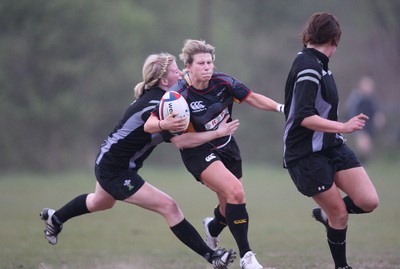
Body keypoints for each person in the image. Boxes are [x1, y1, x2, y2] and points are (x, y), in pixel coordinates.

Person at [39, 52, 239, 269]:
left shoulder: (165, 99)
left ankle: (55, 218)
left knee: (100, 202)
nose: (181, 73)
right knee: (169, 207)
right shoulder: (158, 105)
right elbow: (183, 141)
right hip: (115, 170)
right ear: (164, 80)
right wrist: (217, 133)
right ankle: (213, 257)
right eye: (175, 71)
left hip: (110, 162)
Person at [145, 39, 284, 269]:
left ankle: (212, 227)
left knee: (228, 205)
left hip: (228, 146)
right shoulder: (177, 95)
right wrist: (163, 123)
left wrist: (281, 108)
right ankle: (247, 257)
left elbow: (252, 97)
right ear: (188, 67)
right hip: (198, 153)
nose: (207, 67)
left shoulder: (223, 82)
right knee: (236, 192)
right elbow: (150, 126)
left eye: (210, 62)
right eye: (201, 63)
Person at [282, 13, 379, 269]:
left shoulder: (320, 62)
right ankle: (341, 266)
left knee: (368, 201)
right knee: (340, 213)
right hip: (305, 154)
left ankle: (328, 215)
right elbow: (303, 116)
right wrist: (343, 126)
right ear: (335, 40)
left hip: (331, 145)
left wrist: (337, 131)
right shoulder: (308, 67)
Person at [345, 75, 386, 163]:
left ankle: (361, 163)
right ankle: (359, 164)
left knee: (367, 148)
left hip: (369, 126)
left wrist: (379, 117)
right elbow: (350, 111)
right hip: (358, 124)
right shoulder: (356, 97)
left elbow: (377, 110)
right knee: (363, 144)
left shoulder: (373, 97)